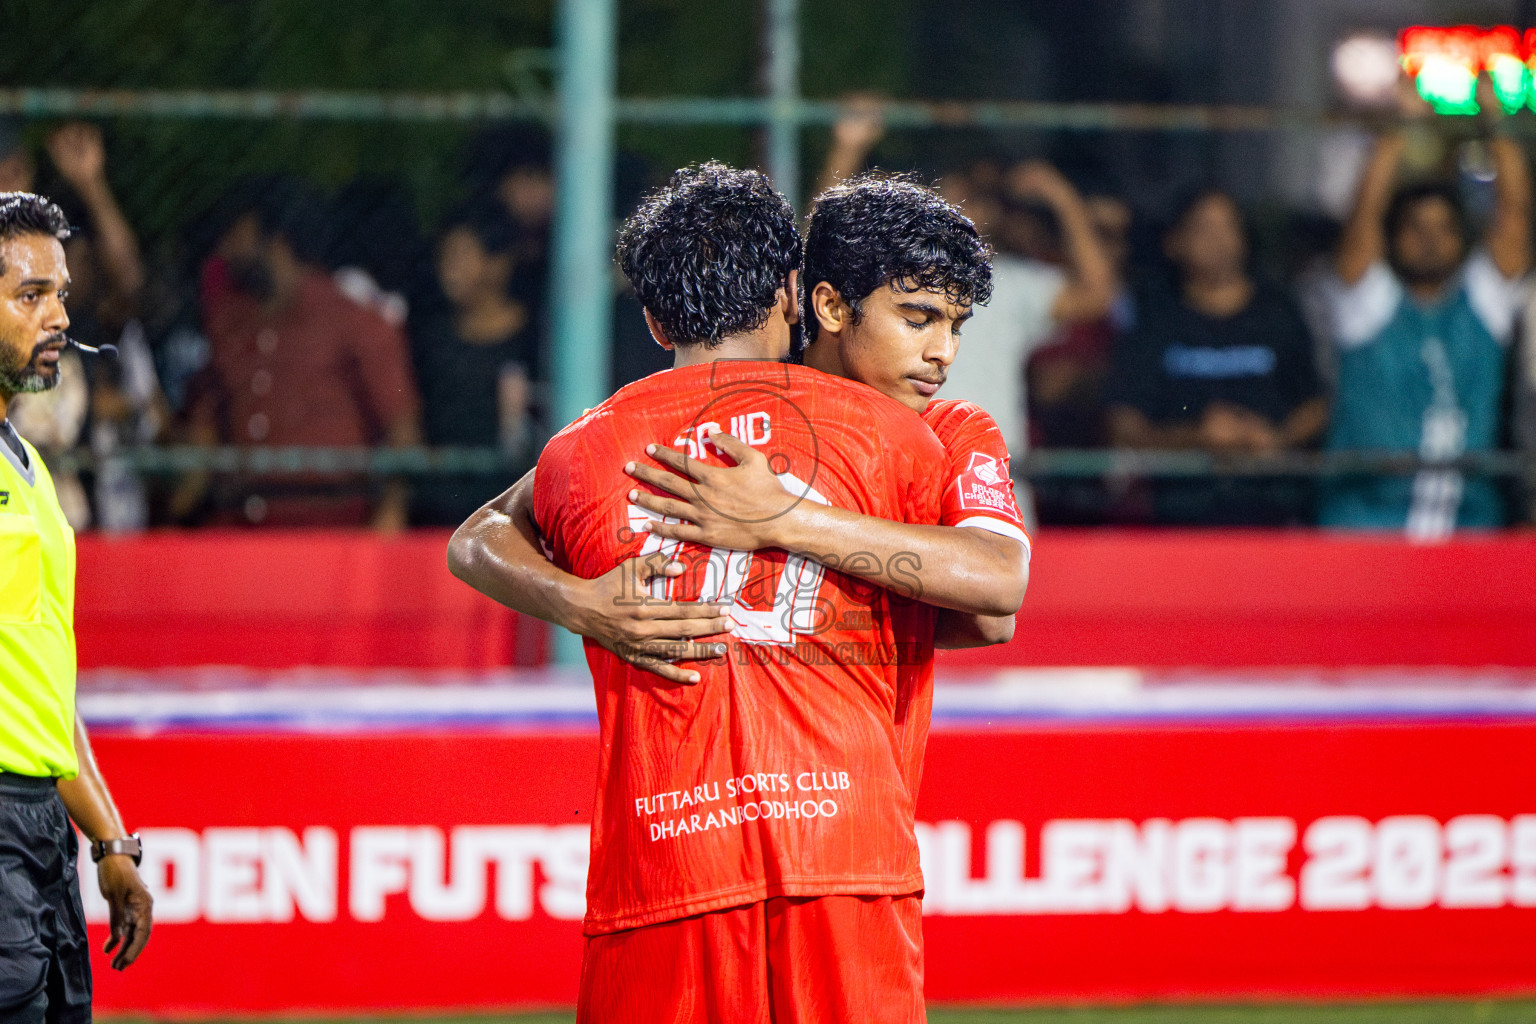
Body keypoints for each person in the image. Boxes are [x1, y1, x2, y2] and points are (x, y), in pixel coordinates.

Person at [449, 163, 1014, 1023]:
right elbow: (992, 599)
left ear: (652, 320)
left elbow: (476, 538)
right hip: (844, 847)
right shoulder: (907, 441)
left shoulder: (588, 450)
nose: (943, 351)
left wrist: (581, 603)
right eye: (920, 318)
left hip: (665, 857)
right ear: (801, 296)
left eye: (954, 325)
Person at [0, 191, 153, 1021]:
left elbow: (45, 690)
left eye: (59, 294)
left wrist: (108, 837)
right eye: (30, 296)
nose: (58, 316)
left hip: (42, 836)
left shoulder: (30, 468)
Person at [174, 178, 422, 528]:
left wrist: (388, 520)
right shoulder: (228, 321)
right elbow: (206, 424)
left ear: (274, 240)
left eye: (236, 236)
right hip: (240, 528)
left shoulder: (351, 316)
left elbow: (401, 428)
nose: (225, 251)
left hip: (329, 530)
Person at [1320, 130, 1531, 537]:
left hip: (1467, 525)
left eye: (1443, 228)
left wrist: (1497, 123)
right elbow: (1362, 223)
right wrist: (1396, 131)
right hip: (1367, 524)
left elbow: (1515, 218)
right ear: (1393, 237)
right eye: (1415, 228)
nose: (1429, 240)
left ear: (1461, 239)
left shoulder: (1482, 305)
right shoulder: (1368, 306)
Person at [1105, 188, 1327, 525]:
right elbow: (1123, 426)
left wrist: (1276, 439)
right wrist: (1196, 437)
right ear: (1173, 242)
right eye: (1203, 228)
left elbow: (1316, 405)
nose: (1218, 240)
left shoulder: (1278, 311)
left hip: (1273, 514)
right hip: (1180, 520)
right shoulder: (1153, 319)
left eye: (1228, 227)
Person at [937, 160, 1115, 526]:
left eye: (974, 200)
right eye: (948, 198)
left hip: (993, 473)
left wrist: (1063, 199)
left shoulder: (1010, 283)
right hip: (913, 463)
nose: (960, 209)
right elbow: (825, 270)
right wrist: (848, 148)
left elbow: (1097, 295)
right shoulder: (895, 282)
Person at [411, 202, 538, 526]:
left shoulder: (536, 337)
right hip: (436, 507)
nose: (448, 269)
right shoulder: (430, 337)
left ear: (498, 264)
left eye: (461, 256)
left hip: (509, 507)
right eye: (444, 257)